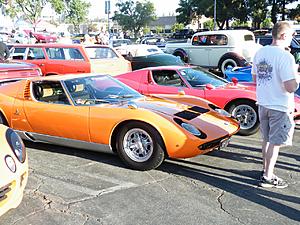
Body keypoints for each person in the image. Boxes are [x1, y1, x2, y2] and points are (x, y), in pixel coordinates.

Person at [251, 21, 299, 189]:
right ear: (284, 35)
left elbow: (255, 80)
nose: (291, 40)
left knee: (266, 139)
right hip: (279, 106)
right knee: (275, 143)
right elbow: (290, 87)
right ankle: (268, 176)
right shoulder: (286, 57)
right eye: (291, 36)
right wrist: (297, 76)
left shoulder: (260, 53)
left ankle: (265, 169)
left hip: (263, 103)